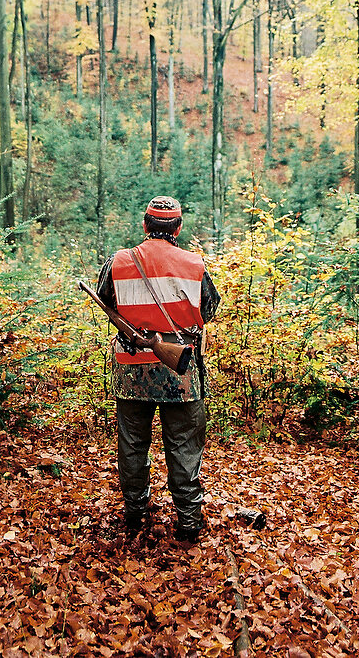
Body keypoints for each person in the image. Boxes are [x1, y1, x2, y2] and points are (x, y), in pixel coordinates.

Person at [97, 196, 220, 542]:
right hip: (180, 372)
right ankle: (188, 523)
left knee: (133, 446)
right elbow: (207, 311)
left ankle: (135, 516)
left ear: (144, 225)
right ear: (178, 228)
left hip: (131, 372)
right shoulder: (195, 265)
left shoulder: (117, 262)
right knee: (183, 447)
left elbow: (107, 303)